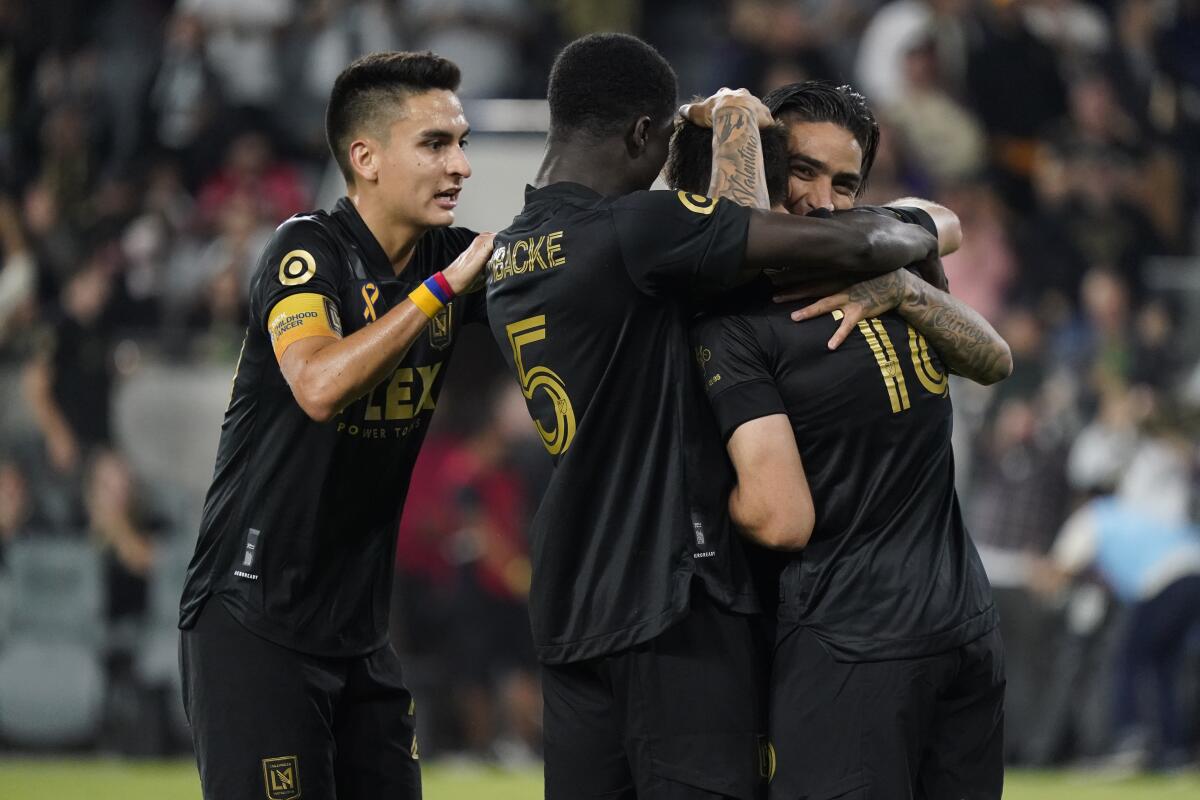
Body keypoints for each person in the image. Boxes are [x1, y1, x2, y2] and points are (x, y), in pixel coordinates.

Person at [484, 34, 940, 799]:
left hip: (572, 603)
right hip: (675, 599)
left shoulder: (508, 256)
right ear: (639, 134)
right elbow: (830, 240)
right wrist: (735, 126)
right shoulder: (635, 230)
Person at [177, 51, 494, 800]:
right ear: (367, 157)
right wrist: (438, 293)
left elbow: (574, 289)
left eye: (463, 143)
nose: (461, 166)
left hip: (357, 632)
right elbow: (318, 384)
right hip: (255, 621)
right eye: (436, 144)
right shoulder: (306, 250)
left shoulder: (449, 253)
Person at [686, 81, 1012, 799]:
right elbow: (988, 347)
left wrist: (699, 498)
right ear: (764, 160)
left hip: (853, 645)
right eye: (802, 171)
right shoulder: (875, 262)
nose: (824, 201)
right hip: (964, 629)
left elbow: (779, 515)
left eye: (844, 183)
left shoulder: (749, 317)